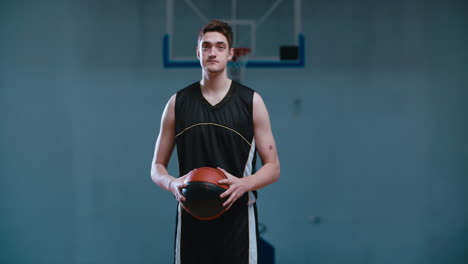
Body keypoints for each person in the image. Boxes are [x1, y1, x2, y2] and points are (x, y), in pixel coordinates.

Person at [150, 20, 280, 264]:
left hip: (237, 222)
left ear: (230, 54)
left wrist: (244, 184)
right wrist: (172, 184)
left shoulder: (251, 102)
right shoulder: (177, 103)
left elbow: (273, 166)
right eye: (207, 46)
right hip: (192, 219)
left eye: (220, 47)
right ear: (198, 52)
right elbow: (156, 167)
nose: (212, 52)